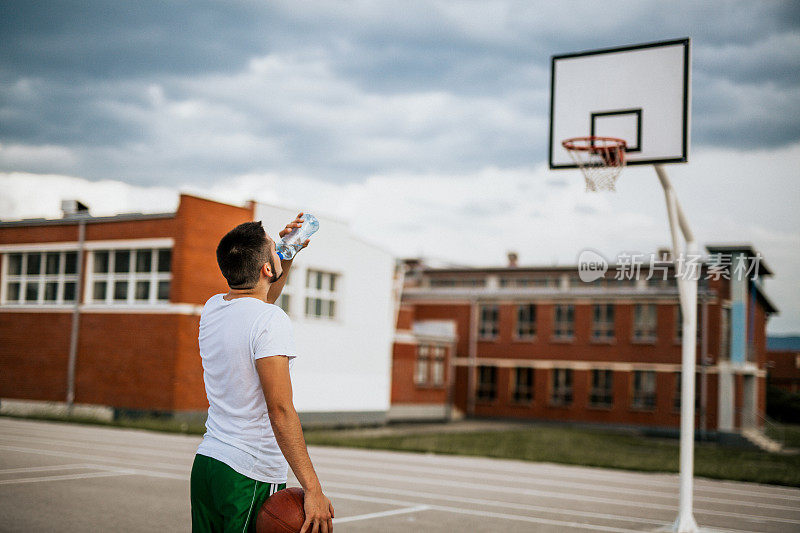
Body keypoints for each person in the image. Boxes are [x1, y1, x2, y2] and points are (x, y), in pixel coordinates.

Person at [191, 215, 334, 533]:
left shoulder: (214, 307)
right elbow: (280, 410)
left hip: (209, 463)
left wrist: (287, 254)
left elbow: (259, 298)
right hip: (249, 471)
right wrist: (312, 488)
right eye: (274, 247)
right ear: (267, 268)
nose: (279, 247)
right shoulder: (270, 320)